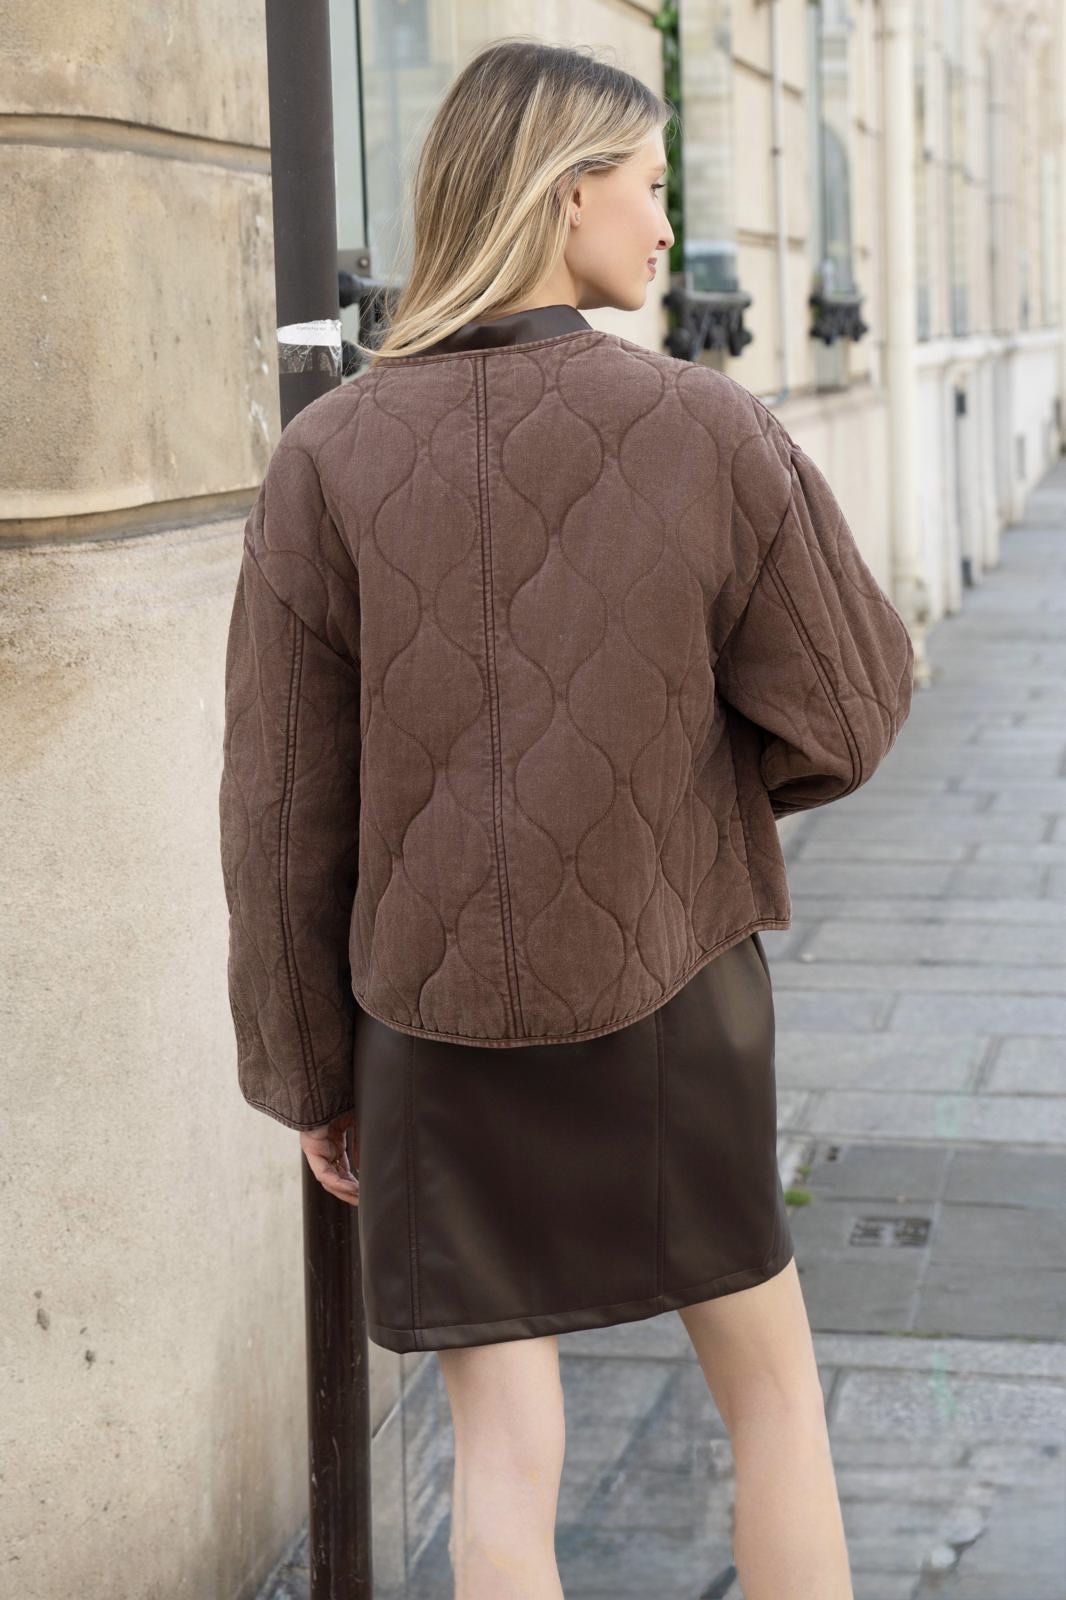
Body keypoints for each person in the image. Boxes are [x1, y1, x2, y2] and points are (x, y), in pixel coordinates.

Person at [218, 36, 914, 1600]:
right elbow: (852, 709)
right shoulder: (708, 428)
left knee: (502, 1457)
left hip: (431, 1022)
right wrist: (686, 806)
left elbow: (278, 812)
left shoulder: (325, 457)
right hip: (679, 994)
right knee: (774, 1404)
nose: (666, 226)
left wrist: (309, 1072)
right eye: (648, 186)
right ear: (562, 192)